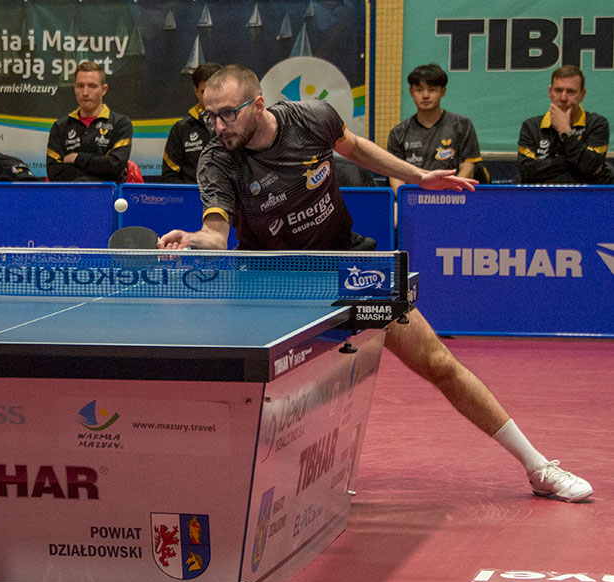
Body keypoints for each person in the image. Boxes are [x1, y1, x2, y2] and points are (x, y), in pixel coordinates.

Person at [159, 65, 592, 503]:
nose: (218, 126)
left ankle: (538, 466)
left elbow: (353, 146)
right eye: (210, 115)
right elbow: (216, 232)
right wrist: (195, 239)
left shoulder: (311, 118)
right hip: (274, 282)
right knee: (265, 391)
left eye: (227, 114)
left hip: (348, 265)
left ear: (257, 104)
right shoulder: (217, 160)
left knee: (439, 363)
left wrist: (418, 177)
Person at [387, 63, 482, 190]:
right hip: (413, 199)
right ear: (411, 92)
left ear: (443, 91)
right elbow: (395, 175)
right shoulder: (398, 133)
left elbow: (468, 168)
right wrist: (406, 199)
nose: (425, 95)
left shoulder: (462, 125)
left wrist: (448, 197)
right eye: (419, 90)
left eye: (432, 90)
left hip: (453, 196)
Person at [518, 65, 614, 184]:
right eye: (558, 90)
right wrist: (577, 163)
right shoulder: (531, 126)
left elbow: (590, 166)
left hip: (584, 194)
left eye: (571, 92)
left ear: (582, 95)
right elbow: (527, 173)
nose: (563, 98)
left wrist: (565, 132)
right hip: (543, 194)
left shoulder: (597, 124)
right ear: (550, 92)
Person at [46, 61, 133, 182]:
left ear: (104, 89)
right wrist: (99, 168)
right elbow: (54, 172)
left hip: (106, 193)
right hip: (70, 193)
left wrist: (77, 159)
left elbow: (115, 166)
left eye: (92, 86)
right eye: (80, 86)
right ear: (74, 88)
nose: (85, 93)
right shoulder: (60, 126)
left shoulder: (120, 124)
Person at [160, 62, 221, 183]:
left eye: (215, 90)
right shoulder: (181, 129)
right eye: (204, 92)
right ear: (196, 91)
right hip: (192, 193)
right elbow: (169, 176)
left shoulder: (238, 123)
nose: (210, 97)